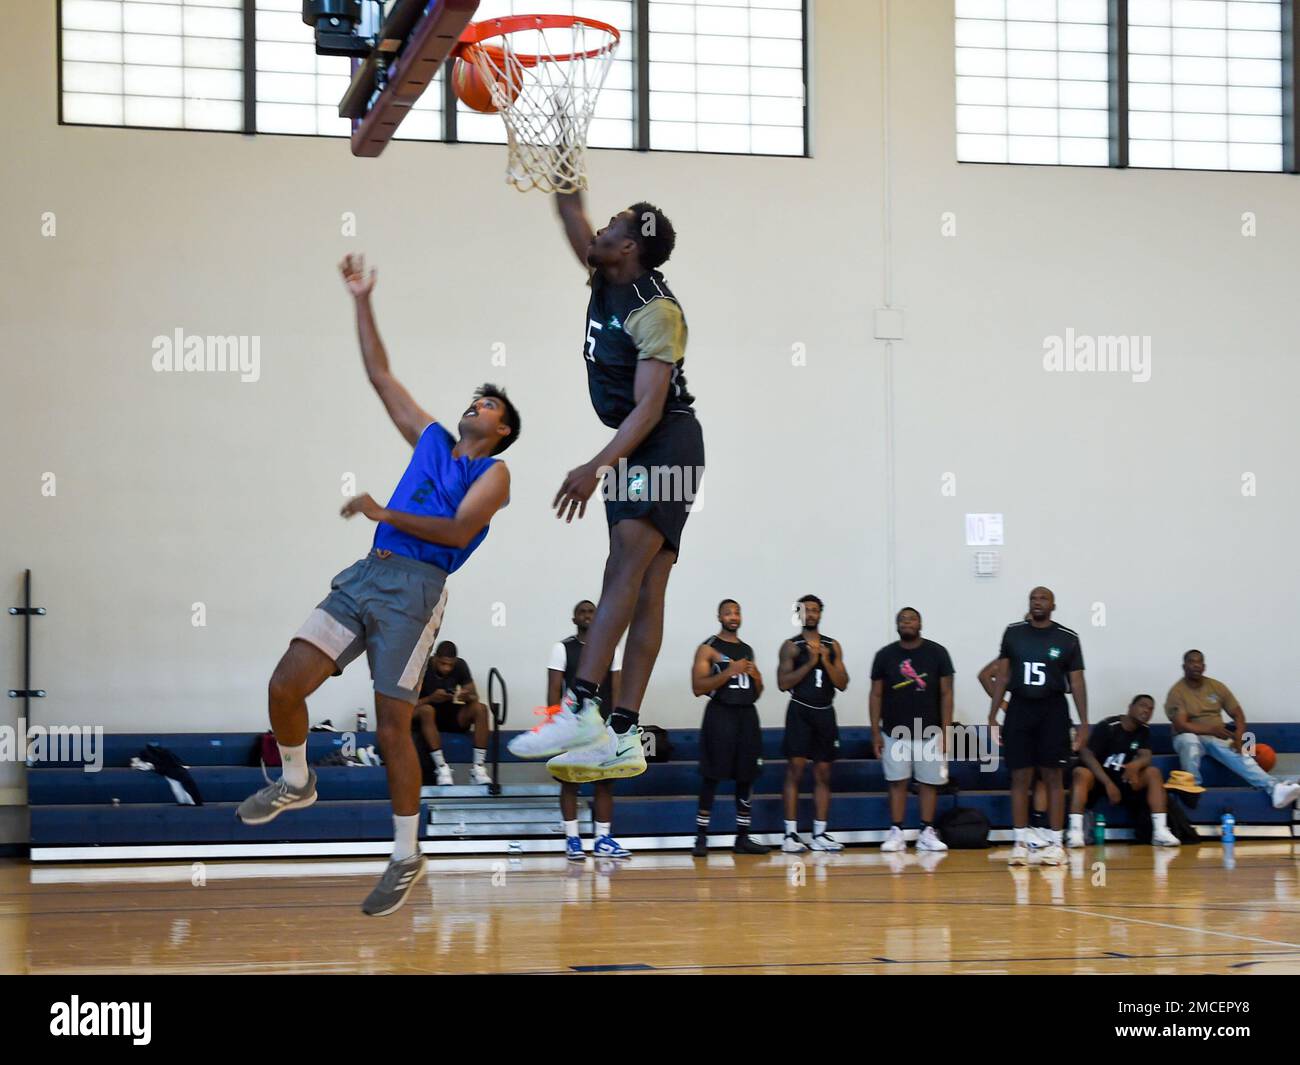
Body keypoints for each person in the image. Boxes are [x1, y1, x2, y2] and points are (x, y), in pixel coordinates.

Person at [236, 254, 518, 917]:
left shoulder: (498, 473)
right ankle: (298, 779)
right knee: (284, 683)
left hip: (418, 590)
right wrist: (362, 298)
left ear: (501, 427)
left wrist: (383, 510)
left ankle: (404, 854)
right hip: (369, 572)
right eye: (476, 397)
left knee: (395, 727)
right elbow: (379, 374)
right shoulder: (429, 440)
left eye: (489, 402)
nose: (476, 403)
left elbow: (455, 533)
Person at [508, 185, 703, 786]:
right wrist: (553, 149)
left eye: (612, 225)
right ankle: (622, 736)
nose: (597, 231)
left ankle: (579, 707)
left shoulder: (656, 310)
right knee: (644, 589)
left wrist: (595, 468)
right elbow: (571, 210)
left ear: (631, 246)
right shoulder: (606, 275)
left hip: (664, 441)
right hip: (639, 445)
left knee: (624, 571)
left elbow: (648, 408)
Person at [987, 586, 1088, 867]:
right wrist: (993, 714)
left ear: (1053, 605)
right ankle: (1020, 841)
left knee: (1053, 777)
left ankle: (1056, 843)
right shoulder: (1013, 632)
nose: (1037, 602)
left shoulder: (1067, 638)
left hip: (1053, 709)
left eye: (1043, 598)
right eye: (1033, 598)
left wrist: (1083, 722)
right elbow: (1003, 677)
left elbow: (1077, 682)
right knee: (1020, 777)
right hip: (1020, 708)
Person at [548, 600, 631, 860]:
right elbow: (553, 690)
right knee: (571, 782)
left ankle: (602, 840)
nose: (587, 616)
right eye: (582, 612)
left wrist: (618, 724)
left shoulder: (611, 649)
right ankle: (572, 839)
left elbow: (617, 689)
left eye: (591, 612)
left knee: (605, 783)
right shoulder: (562, 648)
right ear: (574, 619)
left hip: (603, 725)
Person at [1165, 650, 1300, 809]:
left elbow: (1238, 714)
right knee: (1190, 740)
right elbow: (1182, 725)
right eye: (1191, 662)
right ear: (1184, 666)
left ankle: (1275, 788)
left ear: (1204, 666)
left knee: (1239, 752)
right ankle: (1191, 788)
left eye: (1199, 662)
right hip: (1188, 736)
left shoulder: (1216, 686)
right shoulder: (1177, 691)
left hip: (1215, 736)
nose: (1195, 665)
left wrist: (1239, 737)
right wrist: (1211, 729)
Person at [690, 599, 771, 856]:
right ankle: (701, 837)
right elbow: (698, 687)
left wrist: (758, 679)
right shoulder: (708, 648)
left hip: (747, 715)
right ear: (719, 616)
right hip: (720, 714)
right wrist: (729, 671)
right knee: (712, 775)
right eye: (728, 612)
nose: (733, 616)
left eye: (737, 612)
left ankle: (743, 837)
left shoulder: (747, 649)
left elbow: (755, 693)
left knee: (746, 776)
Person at [870, 608, 953, 853]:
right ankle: (897, 831)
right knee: (897, 783)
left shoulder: (937, 653)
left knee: (929, 783)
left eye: (911, 618)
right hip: (894, 732)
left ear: (920, 623)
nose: (907, 622)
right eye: (902, 619)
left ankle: (927, 831)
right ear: (897, 626)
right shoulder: (885, 655)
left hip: (930, 732)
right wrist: (875, 731)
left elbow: (947, 693)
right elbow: (875, 694)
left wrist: (947, 731)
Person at [778, 595, 849, 852]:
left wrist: (825, 660)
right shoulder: (791, 646)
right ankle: (790, 835)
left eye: (815, 610)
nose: (810, 614)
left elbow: (842, 683)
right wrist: (809, 662)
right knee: (795, 771)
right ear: (798, 614)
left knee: (823, 773)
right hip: (800, 711)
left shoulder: (833, 645)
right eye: (805, 610)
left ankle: (820, 834)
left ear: (821, 613)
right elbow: (783, 683)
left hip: (825, 713)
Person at [1067, 695, 1180, 848]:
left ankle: (1160, 831)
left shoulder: (1144, 730)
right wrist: (1107, 783)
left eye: (1151, 709)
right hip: (1099, 780)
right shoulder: (1108, 726)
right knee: (1081, 773)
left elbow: (1146, 755)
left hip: (1124, 779)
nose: (1146, 711)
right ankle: (1075, 833)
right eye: (1143, 706)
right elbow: (1086, 754)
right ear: (1130, 707)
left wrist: (1136, 765)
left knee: (1153, 773)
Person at [413, 640, 491, 786]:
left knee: (480, 708)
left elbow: (474, 696)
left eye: (450, 664)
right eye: (443, 664)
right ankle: (442, 768)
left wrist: (467, 696)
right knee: (427, 710)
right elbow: (406, 705)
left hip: (449, 712)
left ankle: (478, 768)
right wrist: (431, 698)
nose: (447, 668)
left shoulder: (461, 665)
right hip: (425, 714)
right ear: (435, 658)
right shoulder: (422, 667)